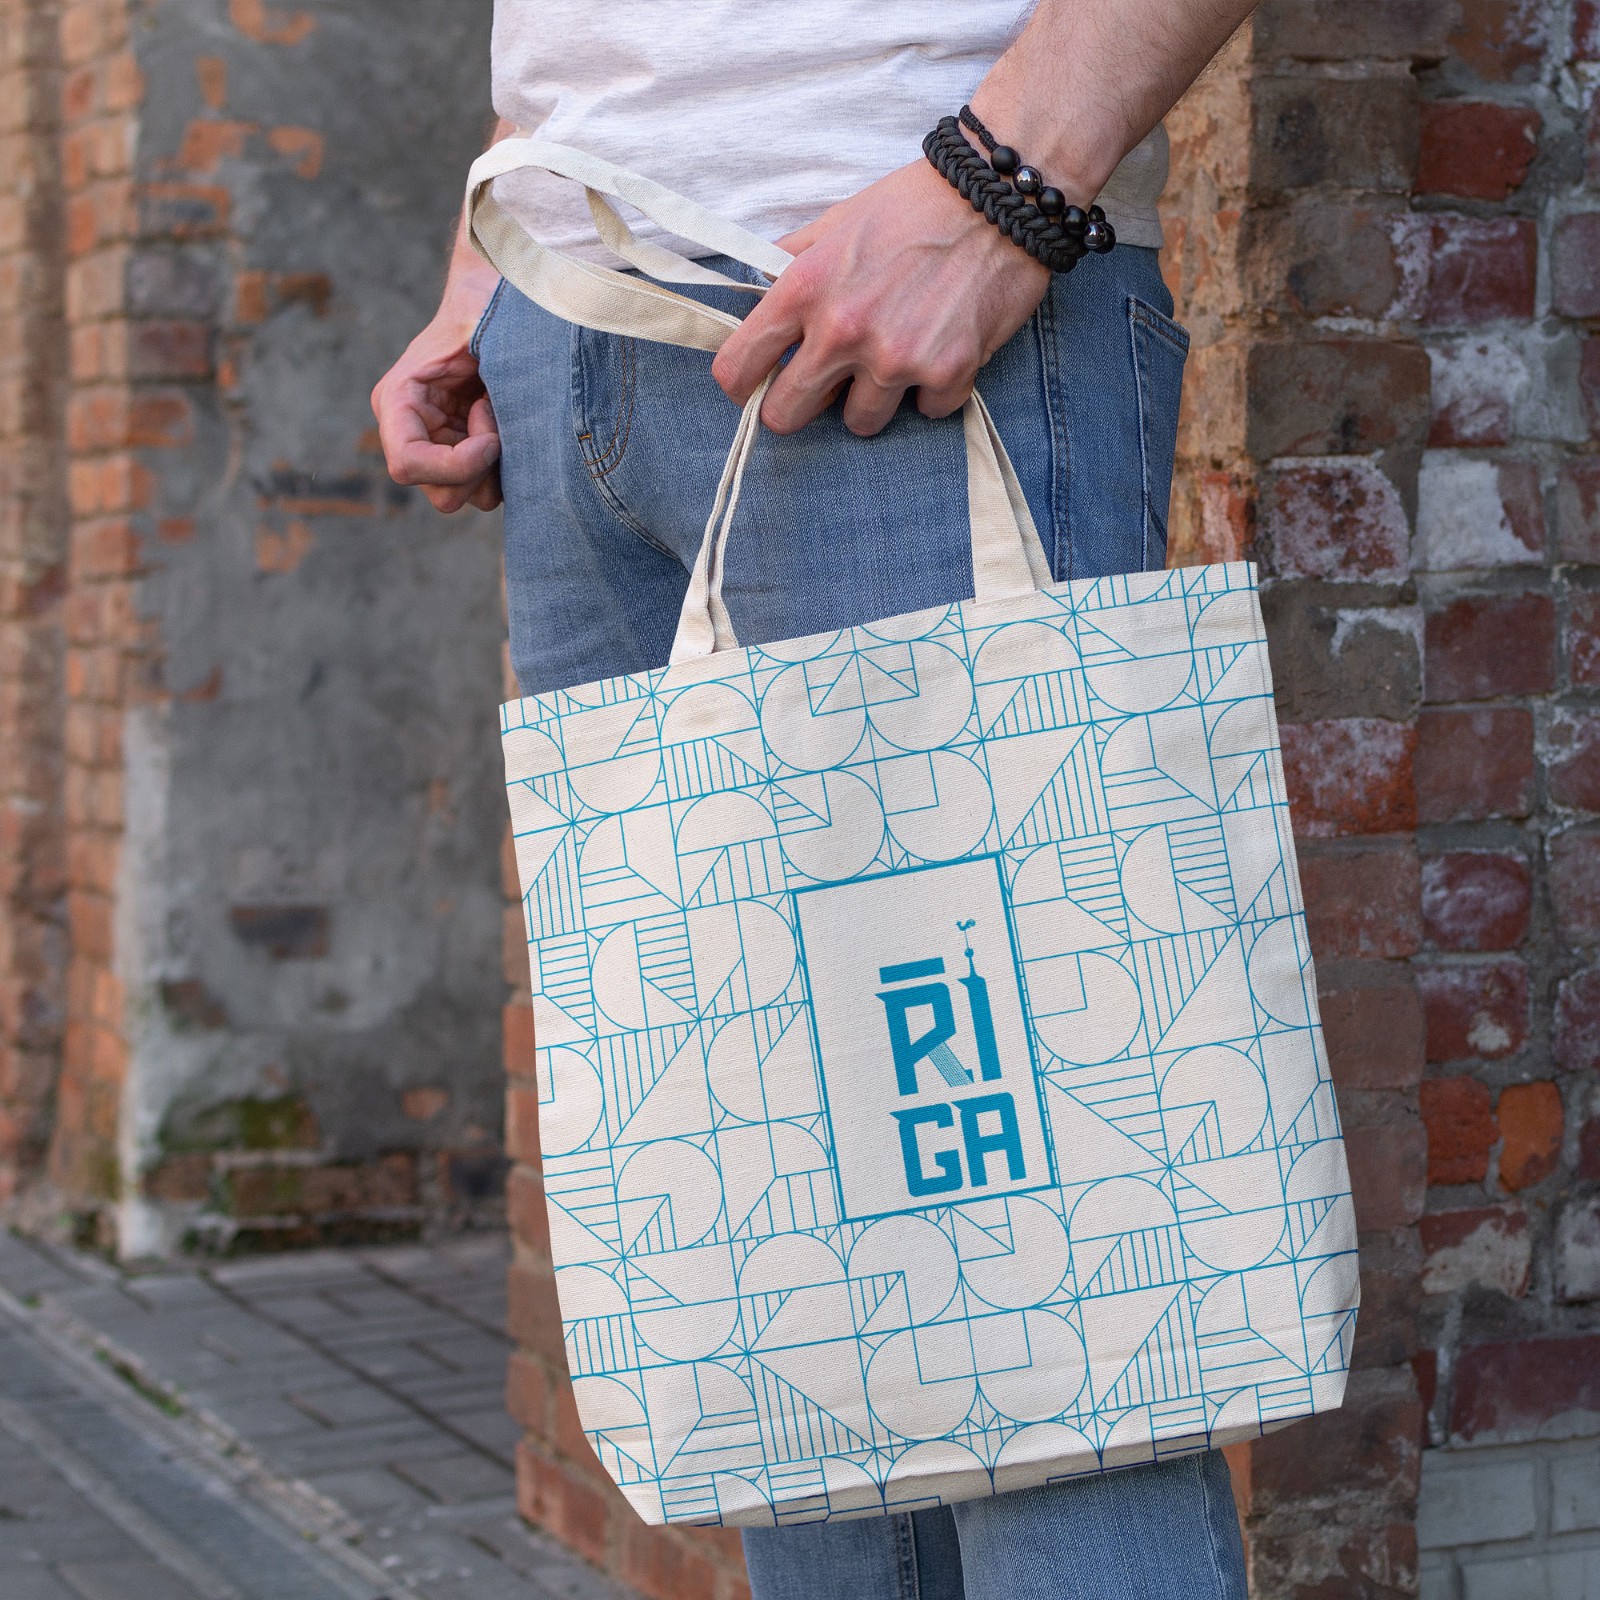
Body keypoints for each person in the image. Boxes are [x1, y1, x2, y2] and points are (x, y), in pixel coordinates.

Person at [374, 2, 1258, 1595]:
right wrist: (489, 259)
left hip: (900, 290)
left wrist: (1007, 185)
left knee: (1049, 1315)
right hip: (568, 309)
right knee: (781, 1285)